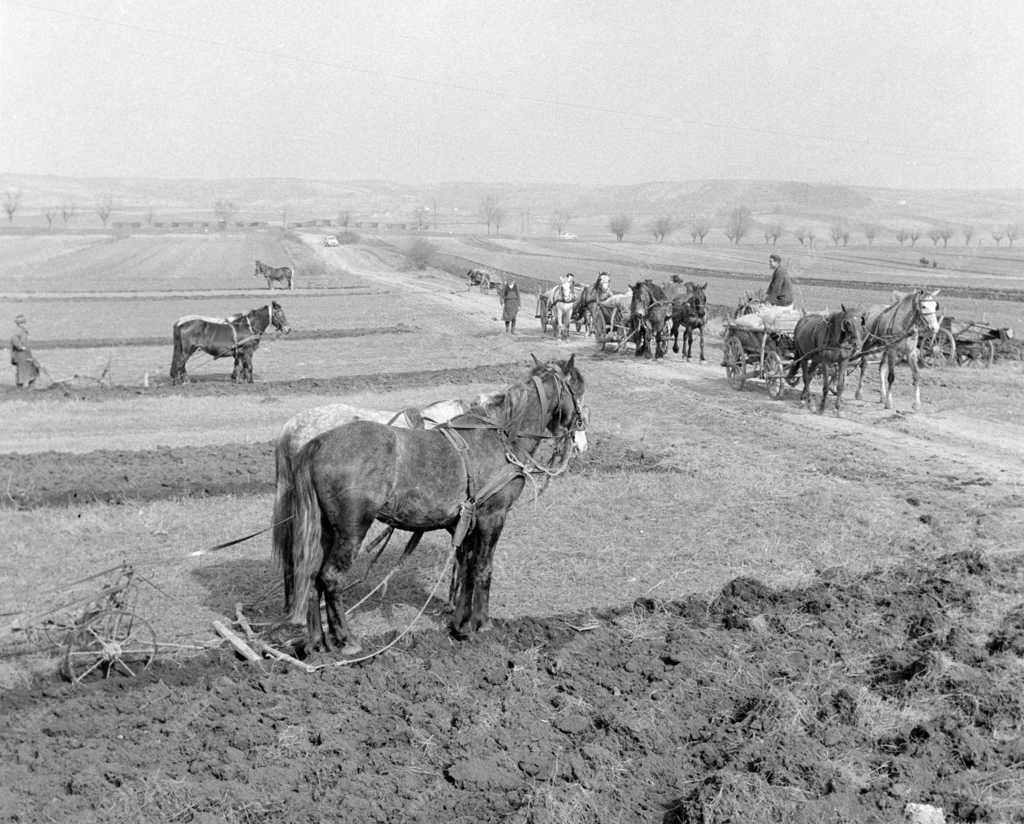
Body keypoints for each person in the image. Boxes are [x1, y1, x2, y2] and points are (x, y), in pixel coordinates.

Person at [10, 314, 39, 389]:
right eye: (23, 323)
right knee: (22, 371)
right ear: (19, 324)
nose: (24, 324)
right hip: (20, 355)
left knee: (34, 368)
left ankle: (31, 386)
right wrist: (21, 347)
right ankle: (20, 387)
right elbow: (14, 339)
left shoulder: (23, 331)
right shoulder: (17, 331)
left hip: (26, 354)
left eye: (24, 322)